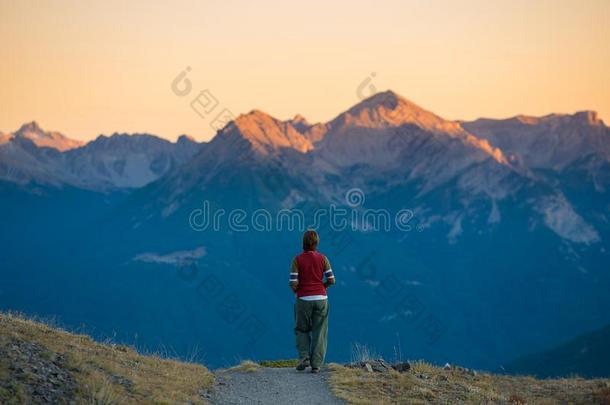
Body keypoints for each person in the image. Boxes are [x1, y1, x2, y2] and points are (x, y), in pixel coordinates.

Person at [289, 230, 335, 373]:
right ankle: (316, 365)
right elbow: (332, 280)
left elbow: (293, 282)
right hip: (321, 298)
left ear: (303, 243)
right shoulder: (323, 258)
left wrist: (299, 292)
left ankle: (304, 358)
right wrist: (322, 287)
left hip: (303, 299)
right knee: (319, 331)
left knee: (301, 329)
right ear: (317, 243)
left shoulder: (297, 260)